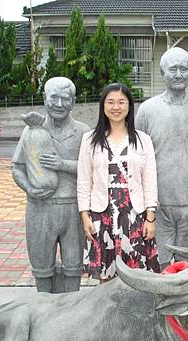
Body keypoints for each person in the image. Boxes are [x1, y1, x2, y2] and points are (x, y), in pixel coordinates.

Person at [135, 47, 188, 270]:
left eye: (184, 69)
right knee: (157, 259)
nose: (179, 74)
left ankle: (186, 304)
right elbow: (136, 158)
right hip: (158, 202)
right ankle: (161, 303)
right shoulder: (147, 110)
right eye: (173, 69)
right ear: (163, 72)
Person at [12, 77, 90, 293]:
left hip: (73, 208)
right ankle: (43, 310)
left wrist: (62, 164)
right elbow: (17, 167)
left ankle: (70, 311)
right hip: (40, 209)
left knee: (74, 267)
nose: (59, 104)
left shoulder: (83, 132)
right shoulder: (31, 131)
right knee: (42, 267)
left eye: (65, 98)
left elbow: (93, 169)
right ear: (45, 99)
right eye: (53, 97)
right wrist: (29, 188)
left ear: (73, 102)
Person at [77, 83, 160, 280]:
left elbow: (150, 181)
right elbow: (83, 180)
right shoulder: (89, 140)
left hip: (134, 215)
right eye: (111, 102)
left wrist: (150, 217)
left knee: (136, 275)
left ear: (129, 106)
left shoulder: (143, 140)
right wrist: (84, 215)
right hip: (102, 214)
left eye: (121, 102)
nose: (116, 107)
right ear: (103, 106)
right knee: (105, 275)